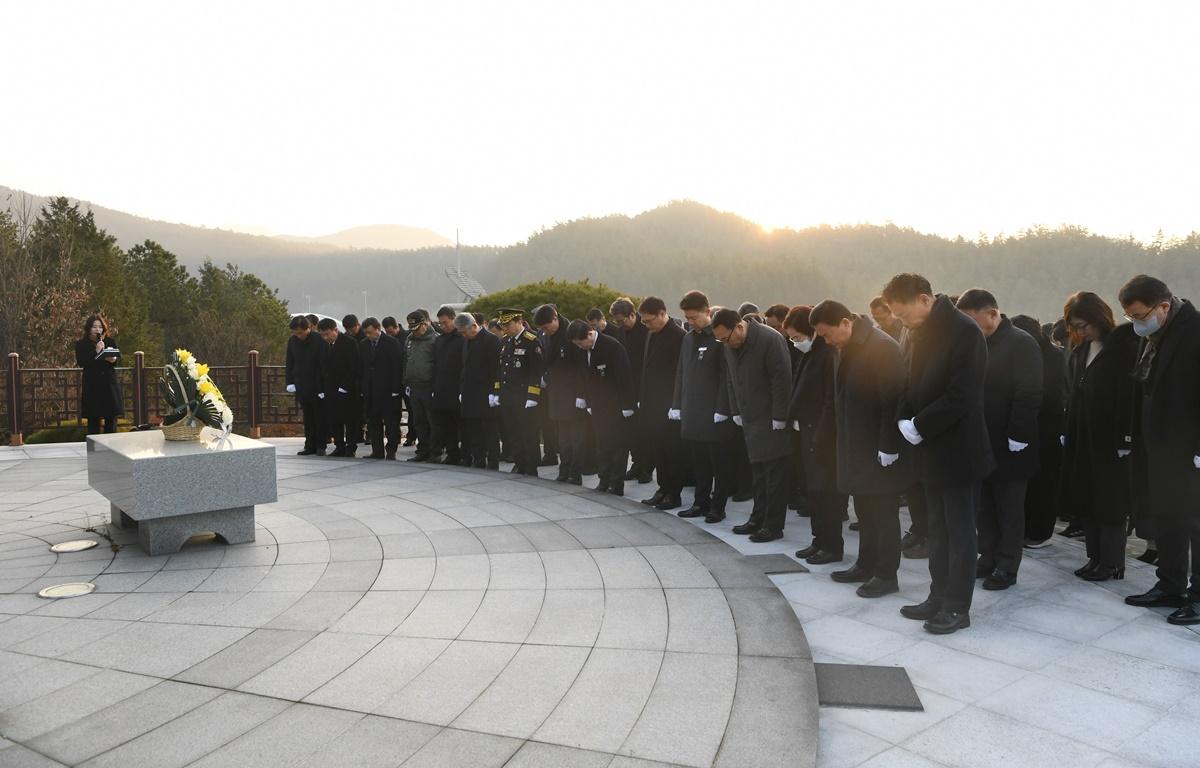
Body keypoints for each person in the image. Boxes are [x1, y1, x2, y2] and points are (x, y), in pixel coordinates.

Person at [885, 273, 993, 635]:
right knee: (938, 528)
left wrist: (921, 424)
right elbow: (908, 381)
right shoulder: (918, 331)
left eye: (903, 315)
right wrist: (903, 419)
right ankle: (937, 595)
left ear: (924, 300)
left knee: (960, 532)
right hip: (929, 447)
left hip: (959, 450)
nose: (902, 323)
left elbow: (963, 394)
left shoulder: (964, 331)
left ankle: (956, 606)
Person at [811, 300, 910, 598]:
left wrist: (888, 445)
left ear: (845, 322)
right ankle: (866, 564)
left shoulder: (882, 347)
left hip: (878, 447)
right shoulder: (843, 348)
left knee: (883, 513)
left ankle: (886, 573)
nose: (826, 341)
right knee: (864, 511)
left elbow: (893, 400)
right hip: (853, 444)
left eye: (828, 334)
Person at [1120, 276, 1200, 623]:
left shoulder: (1195, 332)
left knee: (1196, 523)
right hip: (1160, 446)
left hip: (1189, 448)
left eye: (1140, 316)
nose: (1137, 324)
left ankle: (1198, 596)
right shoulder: (1155, 335)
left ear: (1164, 306)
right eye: (1131, 318)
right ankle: (1169, 584)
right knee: (1167, 517)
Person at [956, 290, 1043, 590]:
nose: (973, 330)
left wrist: (1017, 435)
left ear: (993, 314)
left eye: (976, 323)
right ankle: (988, 555)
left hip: (1011, 442)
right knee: (985, 506)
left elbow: (1029, 393)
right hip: (981, 439)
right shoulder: (974, 343)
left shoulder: (1021, 343)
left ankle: (1008, 565)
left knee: (1009, 508)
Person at [1058, 291, 1139, 582]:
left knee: (1110, 503)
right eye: (1076, 327)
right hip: (1083, 434)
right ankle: (1094, 557)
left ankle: (1112, 562)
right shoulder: (1082, 349)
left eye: (1084, 325)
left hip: (1110, 439)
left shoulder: (1123, 347)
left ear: (1098, 318)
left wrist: (1125, 440)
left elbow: (1130, 396)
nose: (1081, 332)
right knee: (1087, 499)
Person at [712, 307, 792, 543]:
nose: (725, 343)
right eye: (720, 340)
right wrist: (734, 410)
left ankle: (773, 525)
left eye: (726, 338)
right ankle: (757, 519)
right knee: (758, 474)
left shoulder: (770, 340)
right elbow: (731, 380)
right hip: (749, 419)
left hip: (771, 419)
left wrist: (780, 416)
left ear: (739, 326)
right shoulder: (729, 345)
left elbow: (782, 380)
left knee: (774, 476)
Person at [785, 306, 846, 564]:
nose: (795, 343)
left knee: (826, 494)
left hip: (822, 438)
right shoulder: (809, 355)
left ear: (813, 333)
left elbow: (829, 402)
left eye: (798, 337)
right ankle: (818, 540)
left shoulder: (827, 355)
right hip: (806, 434)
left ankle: (831, 546)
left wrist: (820, 435)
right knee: (815, 493)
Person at [672, 291, 738, 523]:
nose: (690, 322)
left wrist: (722, 408)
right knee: (698, 461)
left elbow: (726, 376)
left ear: (707, 312)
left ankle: (717, 507)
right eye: (687, 318)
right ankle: (700, 502)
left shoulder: (719, 338)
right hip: (693, 410)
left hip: (715, 413)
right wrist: (677, 404)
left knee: (718, 463)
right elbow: (681, 373)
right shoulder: (688, 338)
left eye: (694, 317)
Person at [1010, 314, 1067, 548]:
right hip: (1028, 428)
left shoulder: (1054, 356)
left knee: (1045, 485)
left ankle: (1040, 532)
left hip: (1048, 429)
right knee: (1030, 485)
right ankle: (1027, 528)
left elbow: (1051, 394)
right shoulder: (1026, 354)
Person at [570, 320, 637, 495]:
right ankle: (604, 480)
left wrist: (627, 405)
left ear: (589, 335)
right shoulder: (583, 351)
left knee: (618, 446)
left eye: (580, 343)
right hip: (598, 406)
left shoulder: (612, 347)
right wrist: (587, 400)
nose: (579, 347)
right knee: (603, 445)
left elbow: (625, 377)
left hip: (616, 406)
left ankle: (616, 484)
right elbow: (585, 376)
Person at [637, 296, 687, 511]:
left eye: (649, 320)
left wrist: (676, 405)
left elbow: (680, 374)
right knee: (657, 448)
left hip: (669, 405)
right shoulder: (652, 334)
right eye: (644, 321)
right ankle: (662, 488)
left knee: (672, 450)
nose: (647, 325)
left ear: (661, 314)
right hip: (651, 403)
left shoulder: (679, 336)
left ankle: (673, 493)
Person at [535, 304, 587, 484]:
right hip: (556, 393)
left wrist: (581, 395)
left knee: (576, 438)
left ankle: (575, 473)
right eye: (541, 329)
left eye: (546, 327)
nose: (544, 331)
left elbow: (582, 367)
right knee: (563, 437)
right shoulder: (550, 336)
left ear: (555, 319)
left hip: (573, 394)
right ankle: (564, 470)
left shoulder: (571, 332)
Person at [496, 308, 544, 476]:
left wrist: (532, 396)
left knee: (528, 433)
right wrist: (497, 392)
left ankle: (530, 466)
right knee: (513, 432)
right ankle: (519, 462)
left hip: (524, 396)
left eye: (508, 324)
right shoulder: (506, 341)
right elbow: (501, 369)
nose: (506, 328)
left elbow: (536, 371)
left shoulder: (531, 340)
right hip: (508, 396)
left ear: (518, 322)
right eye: (503, 325)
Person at [611, 296, 653, 483]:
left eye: (622, 321)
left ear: (632, 315)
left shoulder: (646, 331)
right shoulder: (620, 333)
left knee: (645, 432)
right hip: (626, 388)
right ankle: (636, 464)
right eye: (617, 322)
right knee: (631, 432)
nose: (620, 324)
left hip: (642, 387)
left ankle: (647, 468)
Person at [456, 312, 502, 470]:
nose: (463, 335)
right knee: (473, 429)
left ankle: (493, 460)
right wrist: (462, 389)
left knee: (489, 430)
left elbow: (496, 369)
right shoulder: (466, 341)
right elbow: (464, 367)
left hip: (485, 393)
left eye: (464, 332)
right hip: (470, 392)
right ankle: (479, 459)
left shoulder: (491, 340)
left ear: (474, 326)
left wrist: (493, 392)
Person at [359, 317, 404, 459]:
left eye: (370, 332)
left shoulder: (391, 343)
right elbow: (362, 368)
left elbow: (397, 367)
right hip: (371, 392)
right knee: (373, 423)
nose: (368, 335)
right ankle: (377, 451)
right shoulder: (364, 344)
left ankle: (391, 450)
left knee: (391, 423)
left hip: (388, 391)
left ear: (378, 329)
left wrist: (396, 389)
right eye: (365, 333)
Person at [317, 317, 360, 457]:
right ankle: (339, 445)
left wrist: (345, 386)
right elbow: (321, 367)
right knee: (334, 419)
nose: (325, 337)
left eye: (327, 334)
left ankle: (350, 446)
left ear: (335, 330)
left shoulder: (349, 343)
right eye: (322, 334)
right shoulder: (323, 344)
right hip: (330, 388)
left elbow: (354, 367)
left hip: (347, 389)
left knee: (350, 419)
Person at [75, 314, 123, 435]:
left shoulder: (109, 341)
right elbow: (81, 361)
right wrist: (96, 351)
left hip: (108, 385)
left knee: (110, 420)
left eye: (100, 327)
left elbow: (117, 358)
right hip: (92, 385)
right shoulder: (82, 344)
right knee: (93, 421)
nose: (98, 330)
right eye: (94, 327)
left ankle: (111, 450)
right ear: (88, 329)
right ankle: (94, 450)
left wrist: (113, 360)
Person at [429, 306, 465, 465]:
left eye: (445, 322)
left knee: (463, 426)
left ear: (453, 319)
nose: (443, 326)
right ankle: (452, 454)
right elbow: (436, 365)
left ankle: (466, 454)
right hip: (442, 390)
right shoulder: (439, 340)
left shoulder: (462, 339)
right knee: (447, 425)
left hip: (458, 389)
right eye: (440, 323)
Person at [286, 315, 325, 455]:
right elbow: (290, 362)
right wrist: (290, 381)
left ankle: (321, 445)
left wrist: (323, 387)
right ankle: (310, 445)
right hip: (301, 385)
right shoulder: (292, 341)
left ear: (308, 328)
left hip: (317, 385)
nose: (298, 335)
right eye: (295, 333)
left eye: (301, 332)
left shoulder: (318, 340)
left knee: (319, 416)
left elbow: (323, 365)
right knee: (308, 417)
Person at [404, 309, 436, 461]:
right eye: (412, 329)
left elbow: (439, 365)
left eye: (417, 328)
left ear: (424, 324)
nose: (415, 332)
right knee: (419, 421)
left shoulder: (435, 340)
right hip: (414, 386)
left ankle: (435, 451)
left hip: (429, 386)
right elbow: (407, 361)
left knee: (433, 421)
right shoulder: (409, 339)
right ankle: (422, 449)